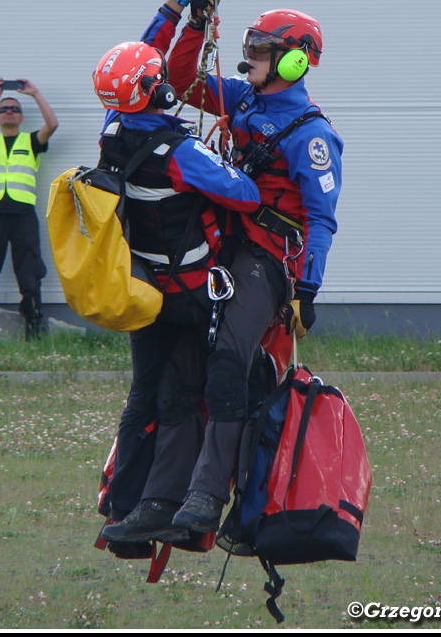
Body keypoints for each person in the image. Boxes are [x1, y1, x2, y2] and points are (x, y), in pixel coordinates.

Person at [101, 0, 343, 542]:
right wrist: (198, 20)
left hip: (264, 259)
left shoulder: (312, 136)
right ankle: (161, 501)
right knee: (182, 373)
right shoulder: (242, 98)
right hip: (219, 253)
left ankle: (209, 498)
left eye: (262, 51)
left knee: (230, 362)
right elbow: (180, 79)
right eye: (249, 47)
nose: (249, 57)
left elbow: (321, 218)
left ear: (293, 62)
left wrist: (308, 287)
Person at [92, 29, 261, 551]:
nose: (171, 82)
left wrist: (178, 7)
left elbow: (132, 77)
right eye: (163, 79)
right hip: (188, 299)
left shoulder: (112, 133)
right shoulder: (179, 152)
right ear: (159, 91)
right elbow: (246, 195)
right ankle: (177, 505)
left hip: (142, 293)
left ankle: (124, 509)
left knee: (142, 395)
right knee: (185, 398)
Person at [0, 78, 58, 339]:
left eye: (14, 109)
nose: (9, 111)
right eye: (3, 109)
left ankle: (33, 329)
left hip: (23, 216)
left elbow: (52, 125)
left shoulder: (31, 142)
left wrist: (35, 93)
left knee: (29, 274)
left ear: (20, 118)